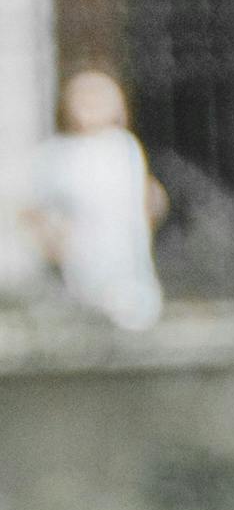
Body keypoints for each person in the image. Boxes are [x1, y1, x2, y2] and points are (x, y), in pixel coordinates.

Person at [26, 64, 167, 331]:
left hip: (122, 243)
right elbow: (37, 206)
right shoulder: (58, 153)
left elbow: (140, 195)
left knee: (127, 295)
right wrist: (52, 238)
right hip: (82, 244)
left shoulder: (124, 147)